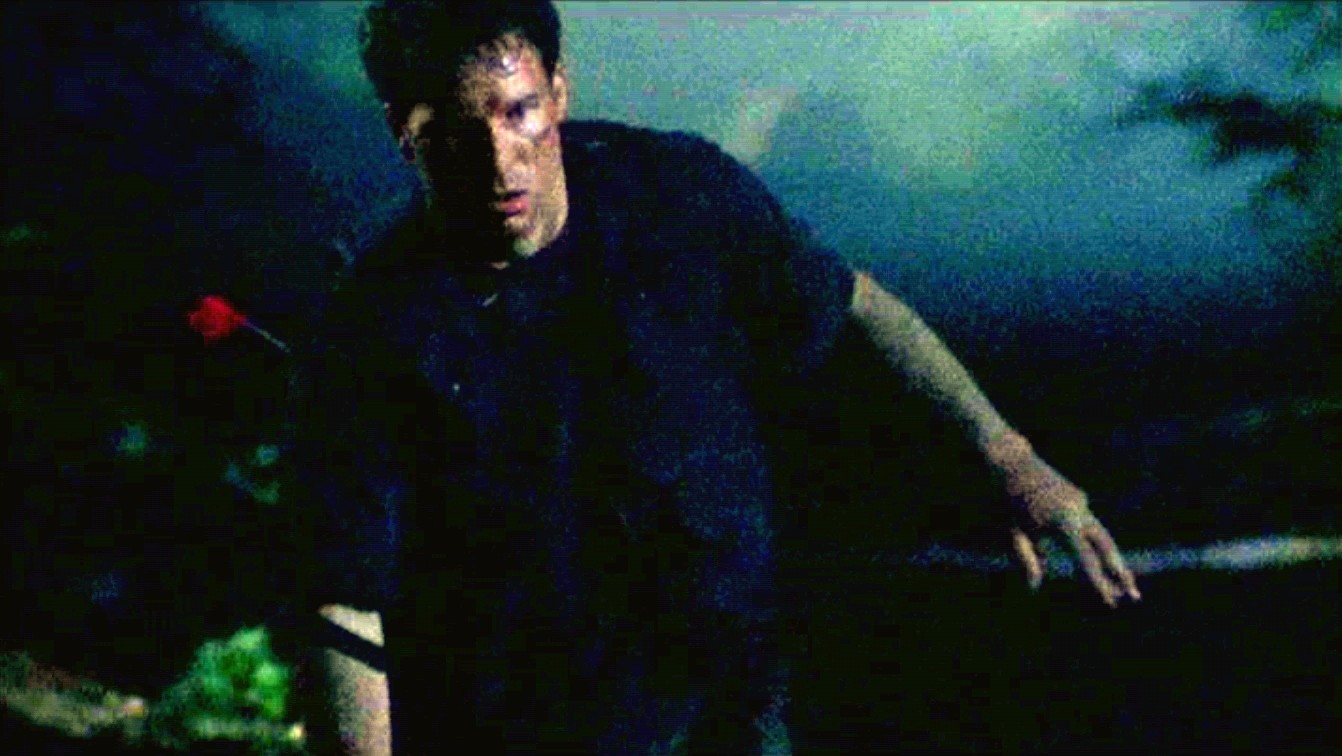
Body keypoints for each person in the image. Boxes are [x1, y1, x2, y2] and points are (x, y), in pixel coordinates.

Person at [289, 1, 1142, 753]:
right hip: (524, 723)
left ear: (559, 91)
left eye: (520, 112)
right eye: (452, 131)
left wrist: (1004, 455)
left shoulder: (676, 197)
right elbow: (345, 599)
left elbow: (852, 305)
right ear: (403, 129)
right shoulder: (371, 327)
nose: (498, 159)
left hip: (727, 693)